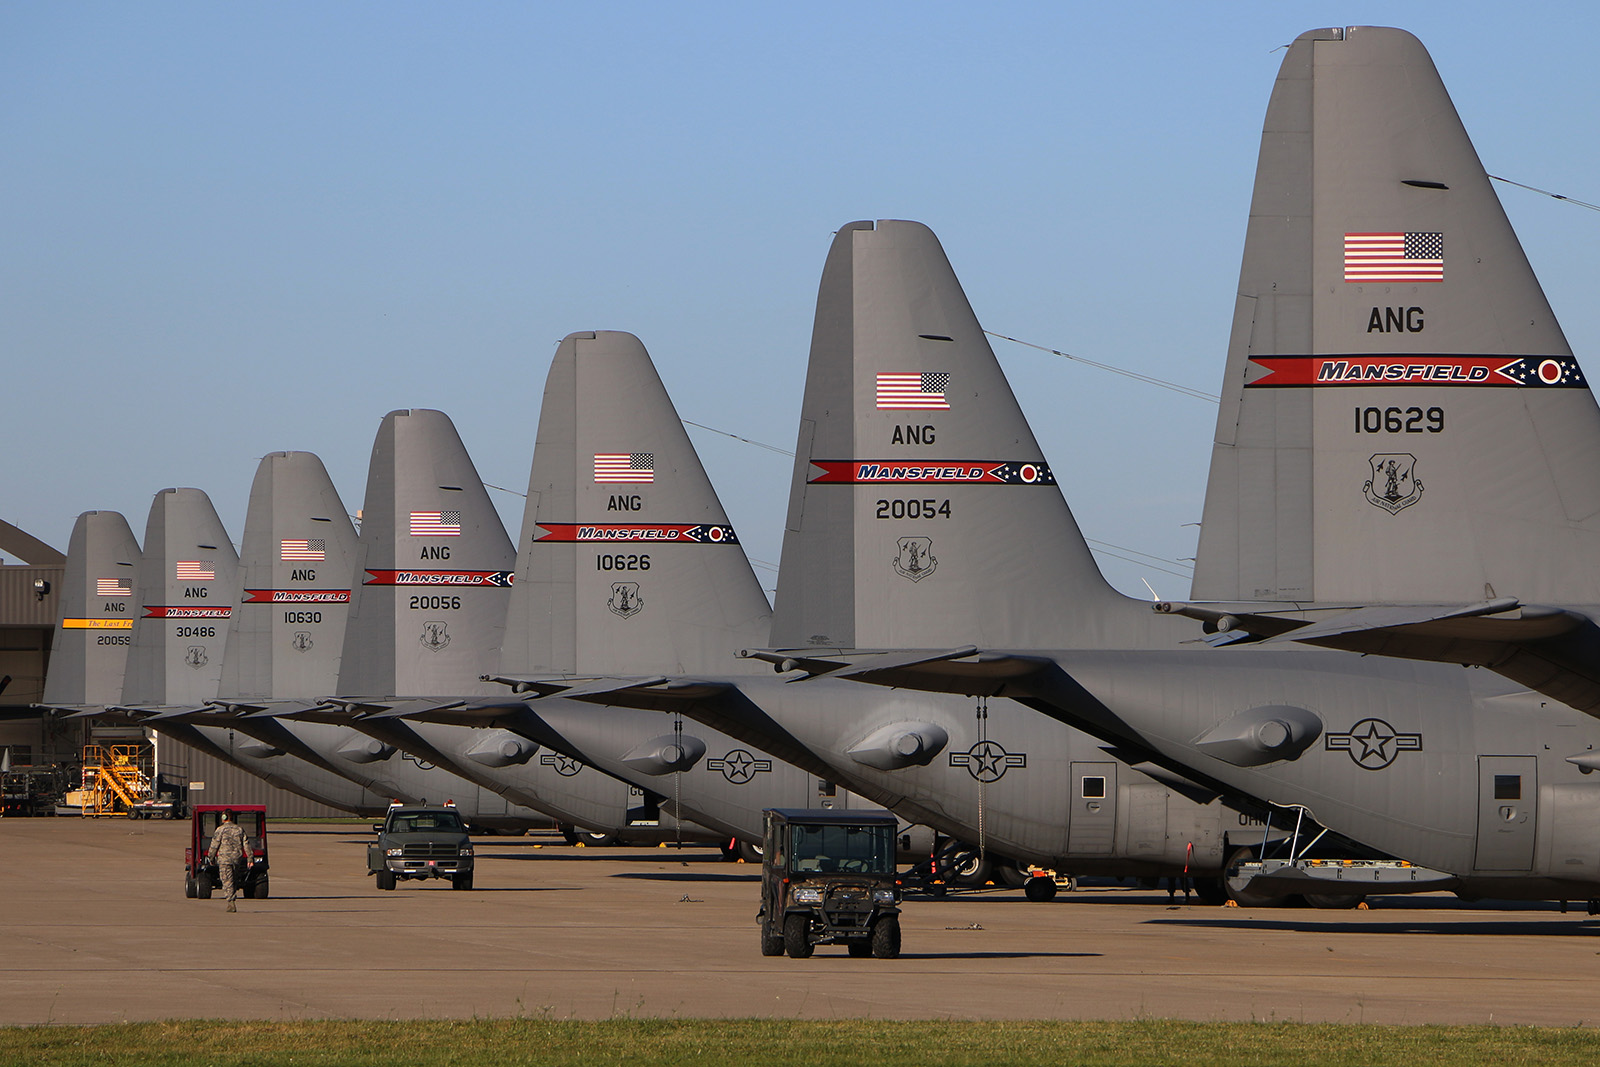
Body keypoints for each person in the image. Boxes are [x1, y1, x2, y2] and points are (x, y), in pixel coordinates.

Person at [207, 810, 251, 912]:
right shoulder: (239, 829)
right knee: (233, 879)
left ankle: (231, 902)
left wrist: (211, 857)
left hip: (225, 859)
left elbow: (214, 845)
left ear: (224, 817)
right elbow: (246, 844)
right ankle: (232, 897)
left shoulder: (220, 830)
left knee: (227, 880)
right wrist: (250, 858)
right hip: (236, 859)